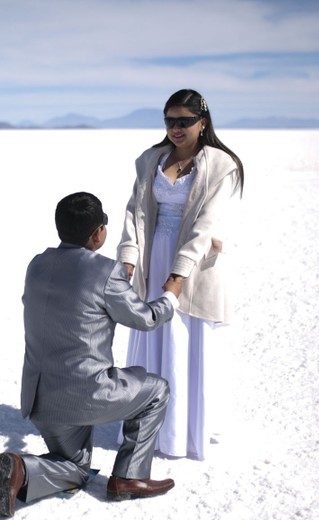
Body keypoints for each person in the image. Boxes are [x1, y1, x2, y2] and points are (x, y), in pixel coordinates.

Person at [0, 191, 183, 518]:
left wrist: (113, 287)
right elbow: (146, 319)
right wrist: (171, 297)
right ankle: (128, 477)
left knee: (75, 469)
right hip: (86, 395)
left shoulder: (37, 264)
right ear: (97, 234)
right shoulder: (107, 272)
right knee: (156, 391)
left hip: (40, 400)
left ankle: (23, 469)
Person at [117, 89, 244, 461]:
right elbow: (135, 212)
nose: (176, 128)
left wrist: (179, 273)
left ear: (202, 122)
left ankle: (182, 432)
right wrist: (128, 256)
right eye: (169, 121)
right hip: (154, 255)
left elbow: (205, 225)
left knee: (182, 338)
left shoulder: (221, 165)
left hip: (194, 264)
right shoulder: (150, 160)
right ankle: (149, 427)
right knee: (154, 337)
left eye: (184, 121)